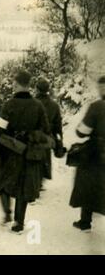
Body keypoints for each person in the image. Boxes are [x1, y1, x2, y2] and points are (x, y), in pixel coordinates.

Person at [0, 70, 50, 233]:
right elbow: (46, 130)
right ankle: (19, 223)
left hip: (8, 152)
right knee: (23, 187)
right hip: (29, 153)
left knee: (0, 182)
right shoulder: (38, 106)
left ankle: (7, 213)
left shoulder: (9, 105)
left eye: (14, 83)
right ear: (29, 85)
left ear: (17, 84)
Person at [69, 75, 105, 232]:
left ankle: (85, 221)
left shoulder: (97, 106)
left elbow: (82, 132)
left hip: (97, 153)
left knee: (87, 182)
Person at [35, 78, 63, 183]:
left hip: (34, 136)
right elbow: (58, 125)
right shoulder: (54, 105)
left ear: (37, 89)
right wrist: (59, 140)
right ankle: (42, 179)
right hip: (48, 136)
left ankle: (35, 180)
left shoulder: (33, 103)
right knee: (45, 157)